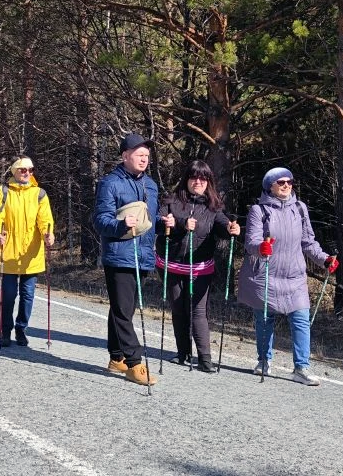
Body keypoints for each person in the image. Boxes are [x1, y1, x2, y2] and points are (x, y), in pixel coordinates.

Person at [237, 167, 338, 386]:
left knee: (301, 320)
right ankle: (264, 361)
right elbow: (251, 241)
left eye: (289, 182)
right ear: (270, 186)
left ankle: (301, 368)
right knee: (265, 320)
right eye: (281, 182)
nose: (286, 186)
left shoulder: (300, 209)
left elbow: (308, 242)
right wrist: (261, 247)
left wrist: (324, 259)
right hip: (266, 275)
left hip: (294, 277)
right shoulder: (258, 210)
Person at [157, 160, 241, 373]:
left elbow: (221, 225)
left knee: (197, 311)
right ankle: (183, 353)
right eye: (194, 177)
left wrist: (231, 229)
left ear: (208, 181)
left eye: (203, 178)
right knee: (178, 308)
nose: (198, 182)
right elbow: (159, 222)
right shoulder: (171, 200)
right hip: (172, 264)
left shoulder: (213, 206)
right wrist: (178, 224)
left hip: (200, 267)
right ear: (186, 179)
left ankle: (205, 359)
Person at [93, 133, 159, 386]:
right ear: (125, 156)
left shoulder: (150, 185)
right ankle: (134, 363)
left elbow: (150, 219)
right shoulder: (110, 183)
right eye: (139, 154)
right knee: (122, 310)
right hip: (119, 255)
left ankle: (116, 357)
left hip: (143, 255)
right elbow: (100, 220)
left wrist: (165, 222)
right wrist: (120, 225)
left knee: (124, 310)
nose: (144, 159)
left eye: (146, 155)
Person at [0, 156, 55, 347]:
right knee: (9, 295)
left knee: (28, 295)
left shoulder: (39, 194)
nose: (27, 173)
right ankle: (5, 331)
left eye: (30, 170)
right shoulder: (4, 191)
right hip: (9, 252)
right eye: (23, 170)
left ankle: (21, 329)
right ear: (15, 172)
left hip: (31, 253)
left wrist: (48, 234)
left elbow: (45, 220)